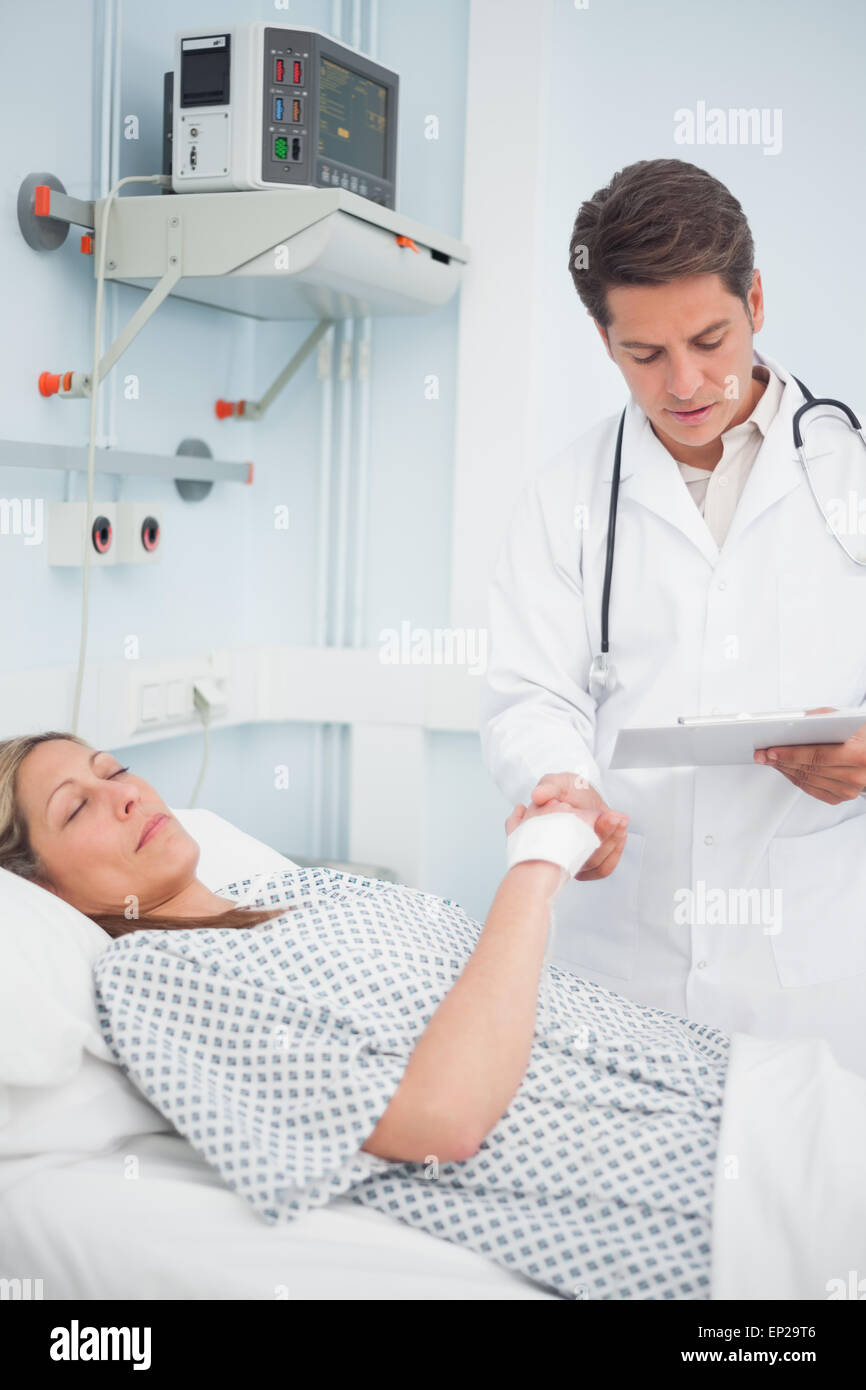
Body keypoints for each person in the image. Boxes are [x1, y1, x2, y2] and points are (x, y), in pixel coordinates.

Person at [0, 730, 730, 1301]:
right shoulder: (152, 976)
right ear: (40, 886)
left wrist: (550, 840)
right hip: (698, 1204)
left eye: (113, 770)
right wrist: (536, 870)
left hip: (727, 1081)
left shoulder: (300, 888)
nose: (123, 794)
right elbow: (440, 1120)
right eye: (76, 807)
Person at [480, 157, 866, 1076]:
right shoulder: (563, 496)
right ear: (602, 336)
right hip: (621, 960)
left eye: (710, 339)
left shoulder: (852, 470)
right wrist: (562, 783)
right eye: (644, 354)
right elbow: (530, 695)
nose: (686, 382)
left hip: (814, 963)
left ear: (757, 301)